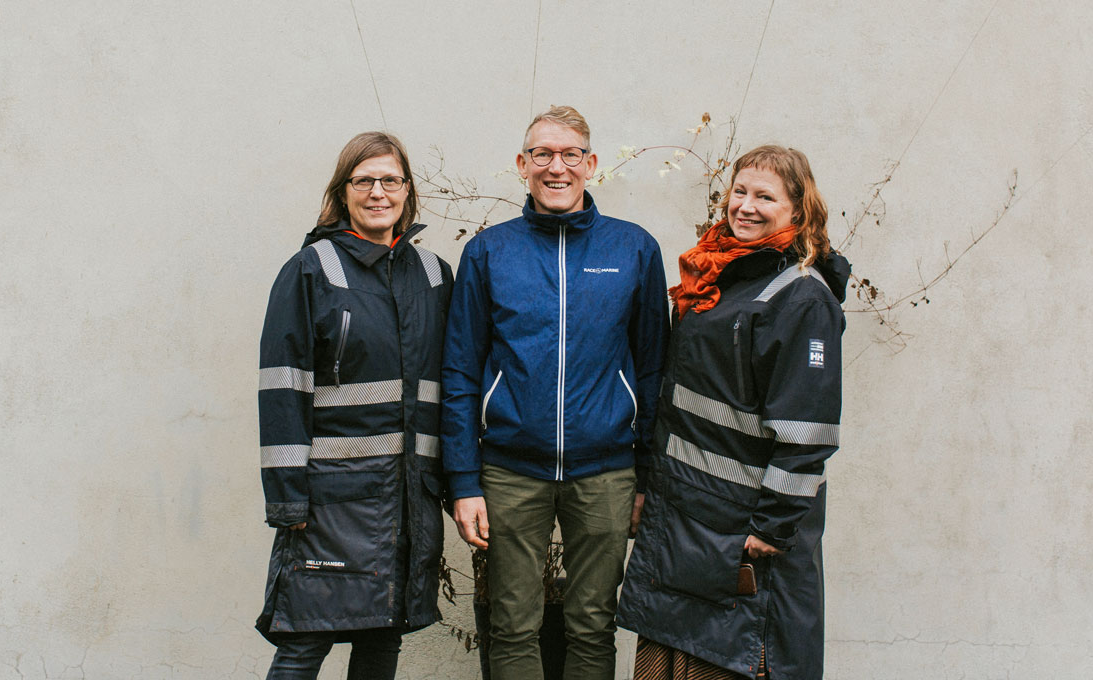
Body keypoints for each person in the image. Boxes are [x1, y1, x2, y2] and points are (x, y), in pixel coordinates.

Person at [440, 105, 670, 680]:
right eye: (542, 154)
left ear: (591, 164)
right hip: (511, 471)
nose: (556, 167)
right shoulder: (490, 252)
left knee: (593, 627)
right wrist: (465, 481)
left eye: (570, 155)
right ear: (522, 165)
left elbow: (652, 372)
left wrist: (645, 478)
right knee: (513, 625)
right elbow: (461, 374)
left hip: (607, 472)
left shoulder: (633, 249)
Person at [616, 145, 849, 680]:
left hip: (740, 533)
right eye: (739, 192)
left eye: (765, 196)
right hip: (686, 517)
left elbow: (808, 432)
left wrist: (771, 527)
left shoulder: (802, 298)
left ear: (799, 209)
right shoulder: (724, 276)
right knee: (671, 659)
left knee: (735, 657)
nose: (745, 206)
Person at [254, 132, 453, 680]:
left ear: (407, 191)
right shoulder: (310, 270)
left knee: (381, 642)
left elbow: (449, 390)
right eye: (363, 180)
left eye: (390, 179)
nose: (377, 192)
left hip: (407, 497)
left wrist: (455, 485)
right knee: (303, 641)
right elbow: (282, 387)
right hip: (330, 501)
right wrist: (288, 499)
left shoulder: (435, 274)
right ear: (343, 193)